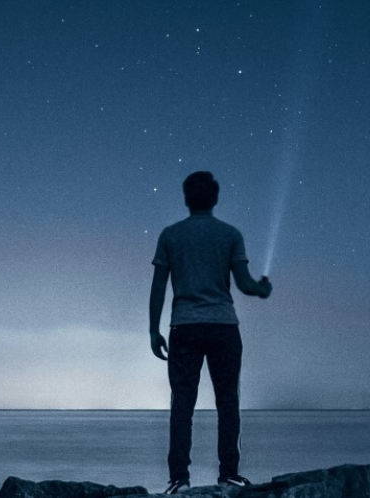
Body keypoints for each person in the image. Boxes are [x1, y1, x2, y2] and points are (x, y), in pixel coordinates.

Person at [149, 171, 272, 494]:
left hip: (184, 327)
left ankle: (179, 479)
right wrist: (262, 289)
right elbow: (245, 284)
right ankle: (228, 473)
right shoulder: (230, 234)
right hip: (223, 327)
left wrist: (153, 330)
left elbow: (159, 287)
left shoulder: (170, 235)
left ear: (186, 199)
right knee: (228, 401)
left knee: (183, 403)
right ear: (215, 199)